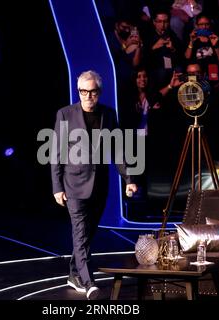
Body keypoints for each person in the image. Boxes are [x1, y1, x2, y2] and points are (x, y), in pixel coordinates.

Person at [51, 71, 138, 300]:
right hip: (74, 185)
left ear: (99, 92)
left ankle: (73, 274)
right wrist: (57, 187)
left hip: (100, 185)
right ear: (78, 91)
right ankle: (89, 283)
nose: (88, 96)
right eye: (83, 91)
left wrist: (128, 179)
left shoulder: (108, 115)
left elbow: (118, 150)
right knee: (80, 233)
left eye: (92, 92)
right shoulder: (65, 114)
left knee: (87, 234)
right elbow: (56, 154)